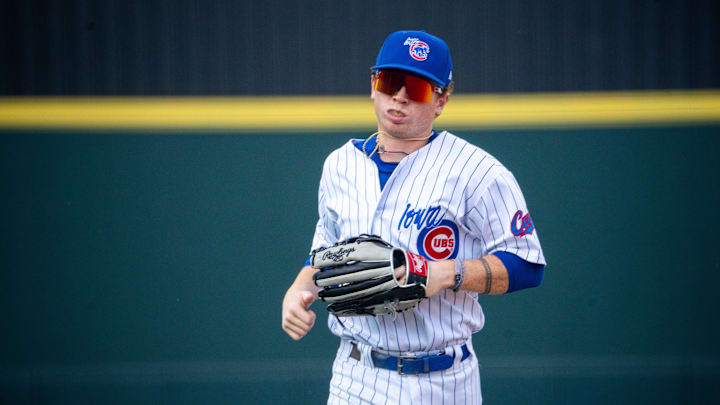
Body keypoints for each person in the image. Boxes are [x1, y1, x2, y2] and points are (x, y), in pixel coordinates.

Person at [281, 30, 546, 404]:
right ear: (373, 85)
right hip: (355, 375)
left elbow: (528, 264)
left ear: (442, 100)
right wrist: (299, 289)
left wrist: (447, 272)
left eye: (418, 88)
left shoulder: (477, 171)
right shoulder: (339, 165)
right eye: (391, 82)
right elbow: (326, 252)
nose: (400, 96)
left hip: (445, 379)